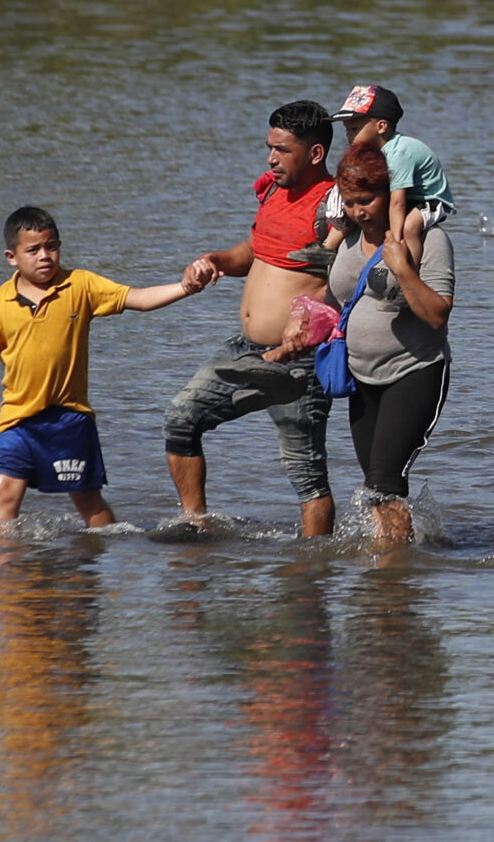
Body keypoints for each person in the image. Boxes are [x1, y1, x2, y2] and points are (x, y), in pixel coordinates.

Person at [0, 207, 215, 530]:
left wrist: (185, 288)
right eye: (33, 250)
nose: (45, 256)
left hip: (69, 420)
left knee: (88, 502)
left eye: (52, 246)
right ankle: (7, 573)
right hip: (16, 420)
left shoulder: (80, 285)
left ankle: (99, 561)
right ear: (11, 256)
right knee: (3, 492)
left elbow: (138, 298)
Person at [162, 100, 341, 536]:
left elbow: (352, 274)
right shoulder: (275, 191)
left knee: (306, 473)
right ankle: (196, 525)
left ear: (315, 154)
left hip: (298, 361)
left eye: (282, 150)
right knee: (181, 418)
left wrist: (318, 312)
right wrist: (214, 260)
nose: (270, 158)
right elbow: (253, 251)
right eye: (269, 147)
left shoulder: (335, 205)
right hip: (246, 350)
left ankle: (312, 574)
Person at [327, 144, 456, 547]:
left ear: (392, 195)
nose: (357, 211)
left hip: (415, 371)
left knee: (383, 480)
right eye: (349, 202)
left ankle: (389, 574)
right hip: (361, 378)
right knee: (377, 486)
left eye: (366, 200)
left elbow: (437, 314)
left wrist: (401, 266)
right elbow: (338, 299)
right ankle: (396, 578)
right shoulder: (347, 241)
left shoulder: (429, 241)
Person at [329, 84, 453, 265]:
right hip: (404, 195)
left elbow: (397, 201)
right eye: (347, 130)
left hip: (429, 199)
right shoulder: (374, 152)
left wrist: (394, 239)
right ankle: (326, 248)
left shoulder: (398, 153)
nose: (349, 136)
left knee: (409, 228)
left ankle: (407, 270)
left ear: (381, 126)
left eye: (354, 129)